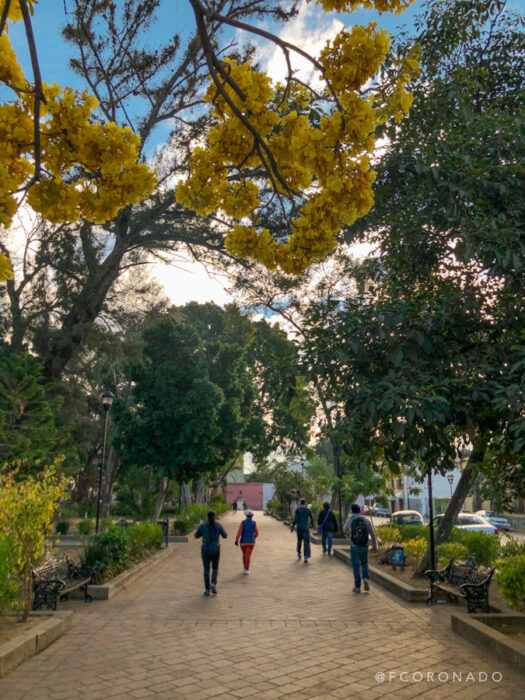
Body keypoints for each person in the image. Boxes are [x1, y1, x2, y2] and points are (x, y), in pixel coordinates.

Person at [343, 503, 378, 593]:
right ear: (360, 511)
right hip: (364, 546)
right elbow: (372, 534)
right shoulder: (365, 521)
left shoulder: (350, 520)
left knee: (356, 567)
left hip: (354, 546)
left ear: (352, 511)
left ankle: (357, 587)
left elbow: (344, 529)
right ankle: (365, 578)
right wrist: (375, 546)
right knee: (364, 563)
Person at [195, 511, 227, 596]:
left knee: (206, 569)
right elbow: (225, 536)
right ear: (215, 516)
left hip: (205, 549)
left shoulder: (203, 526)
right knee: (215, 568)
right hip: (216, 549)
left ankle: (207, 590)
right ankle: (213, 583)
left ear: (207, 517)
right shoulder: (218, 526)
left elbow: (196, 535)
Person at [235, 508, 259, 574]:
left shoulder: (243, 523)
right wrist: (254, 537)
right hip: (251, 542)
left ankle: (245, 567)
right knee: (248, 556)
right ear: (252, 515)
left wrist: (236, 539)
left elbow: (239, 532)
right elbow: (257, 533)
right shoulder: (254, 523)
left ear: (245, 515)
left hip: (243, 542)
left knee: (244, 554)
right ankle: (247, 568)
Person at [291, 497, 314, 563]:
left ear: (300, 503)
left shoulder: (297, 510)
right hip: (306, 529)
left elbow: (295, 519)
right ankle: (306, 557)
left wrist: (292, 527)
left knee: (299, 541)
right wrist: (311, 524)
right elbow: (311, 518)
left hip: (299, 528)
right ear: (305, 503)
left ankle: (299, 553)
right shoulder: (308, 510)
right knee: (306, 542)